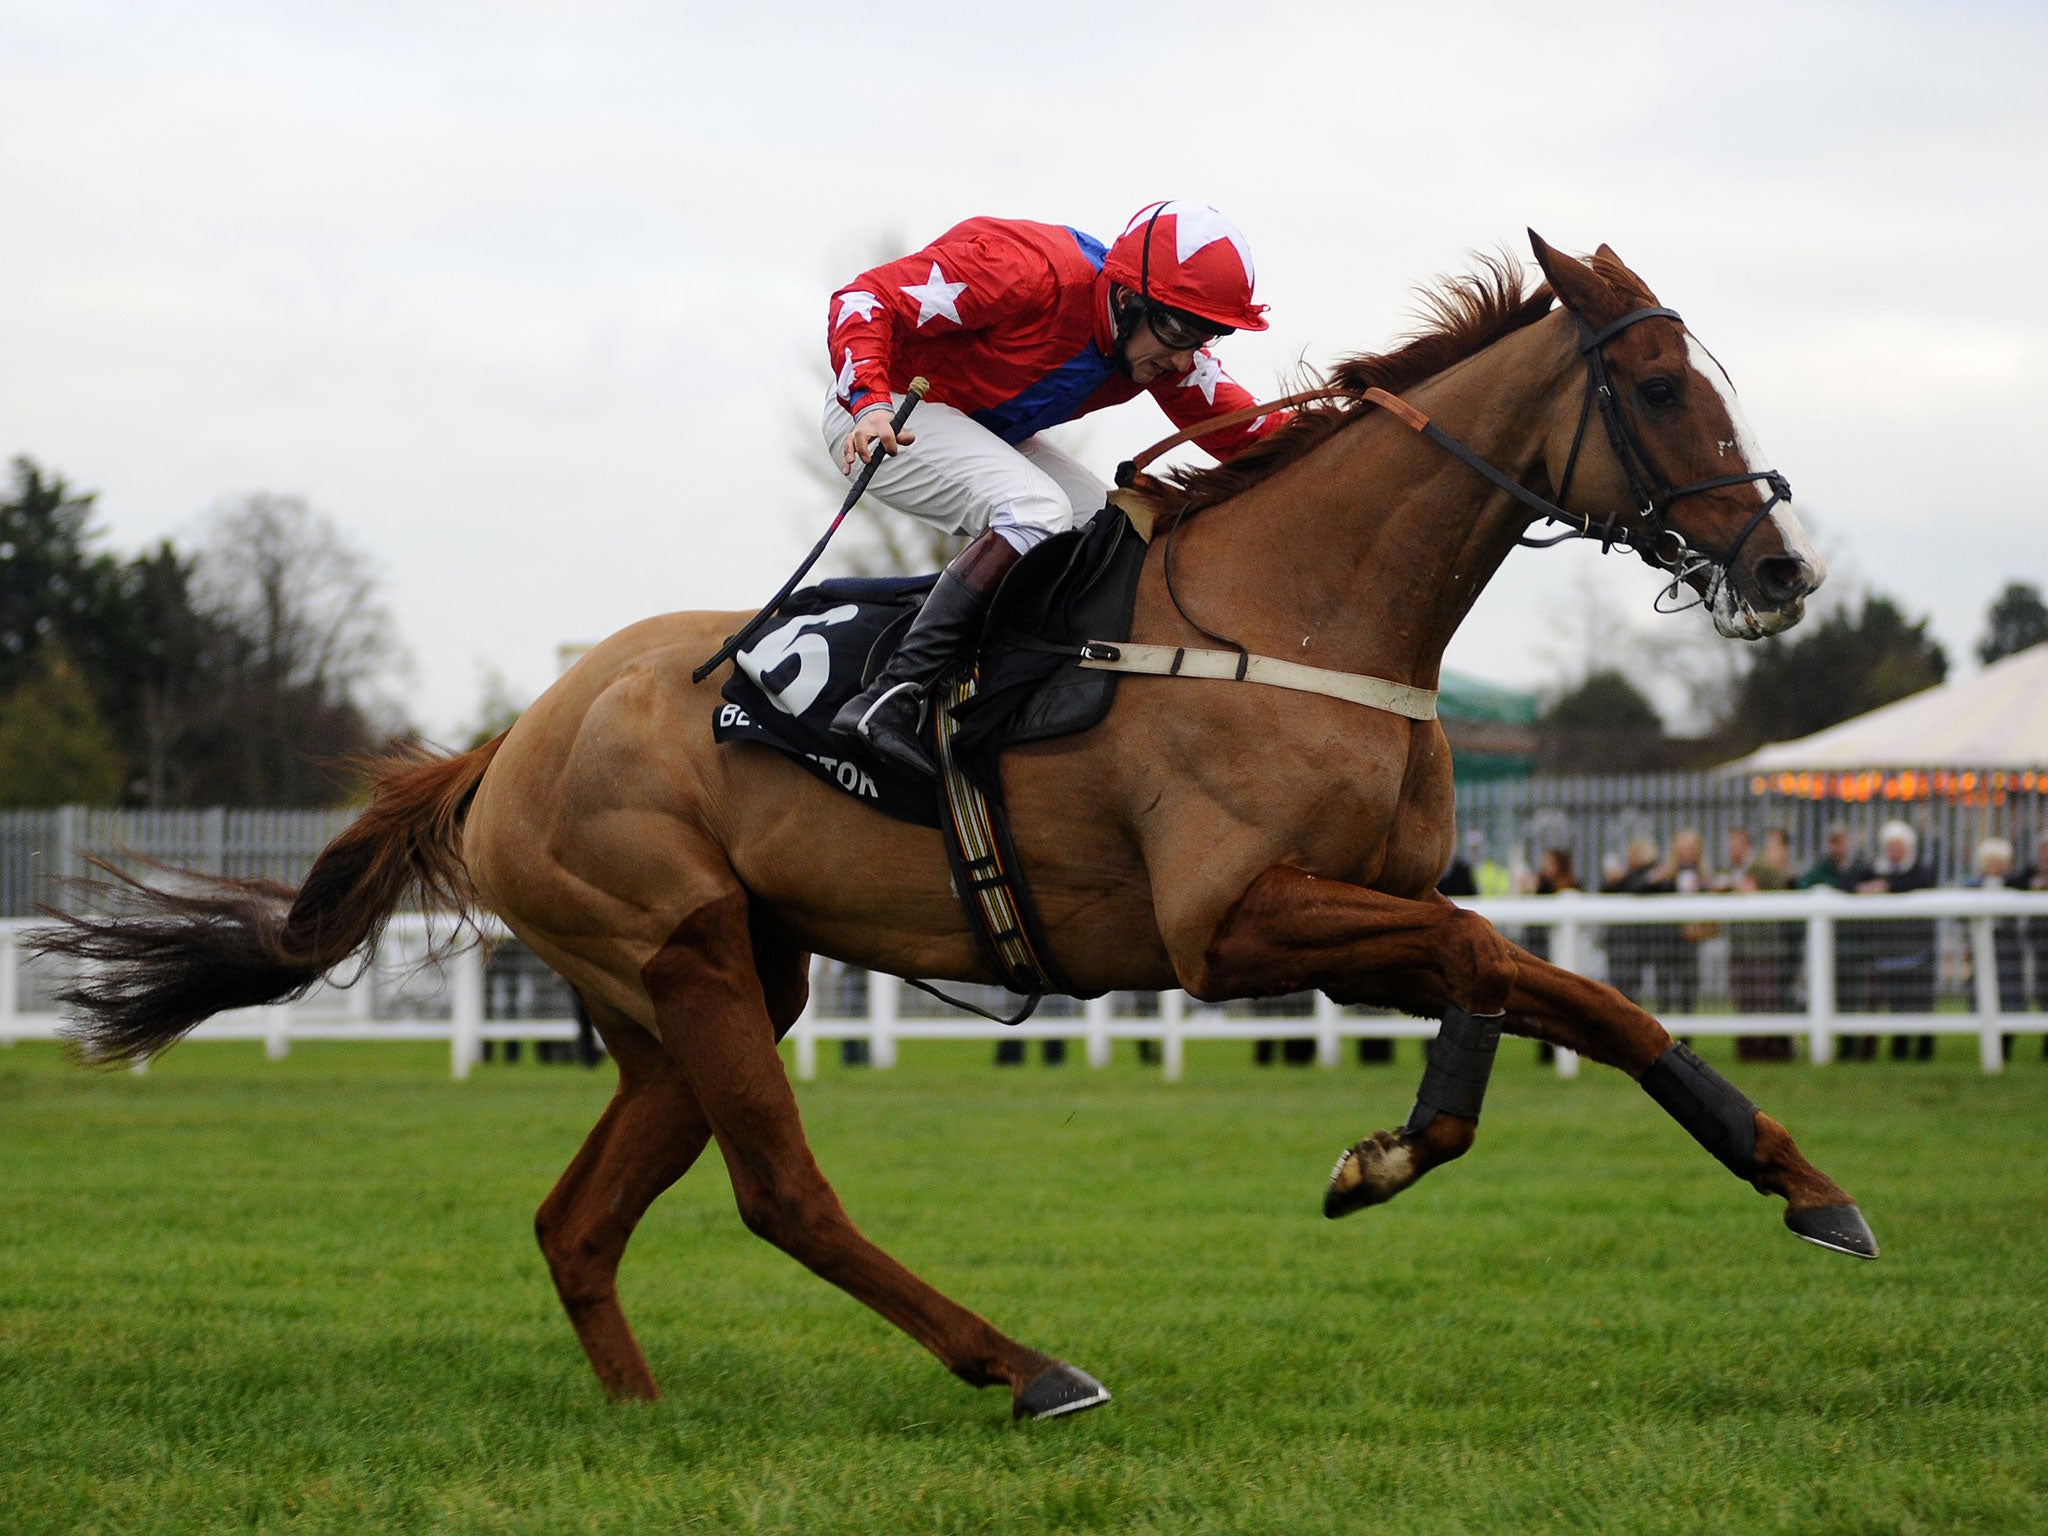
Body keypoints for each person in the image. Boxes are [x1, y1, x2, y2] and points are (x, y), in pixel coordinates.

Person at [822, 201, 1285, 777]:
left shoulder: (1156, 343)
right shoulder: (1028, 270)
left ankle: (1012, 691)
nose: (1186, 357)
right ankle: (890, 696)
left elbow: (1256, 433)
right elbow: (863, 299)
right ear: (1125, 297)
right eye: (1176, 330)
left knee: (1110, 528)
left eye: (1206, 335)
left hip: (975, 426)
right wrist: (869, 402)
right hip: (883, 414)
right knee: (1037, 508)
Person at [1849, 820, 1937, 1060]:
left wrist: (1886, 886)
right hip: (1886, 950)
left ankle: (1924, 1052)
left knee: (1920, 1003)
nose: (1894, 851)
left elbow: (1922, 882)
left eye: (1898, 845)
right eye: (1890, 846)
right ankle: (1899, 1052)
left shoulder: (1920, 870)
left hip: (1916, 949)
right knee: (1896, 1002)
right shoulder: (1874, 869)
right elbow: (1849, 883)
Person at [1729, 826, 1798, 1060]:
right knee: (1745, 1000)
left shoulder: (1762, 868)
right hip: (1741, 948)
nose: (1731, 849)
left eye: (1735, 843)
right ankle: (1749, 1049)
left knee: (1769, 1000)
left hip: (1765, 948)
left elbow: (1780, 892)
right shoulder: (1733, 871)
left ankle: (1773, 1049)